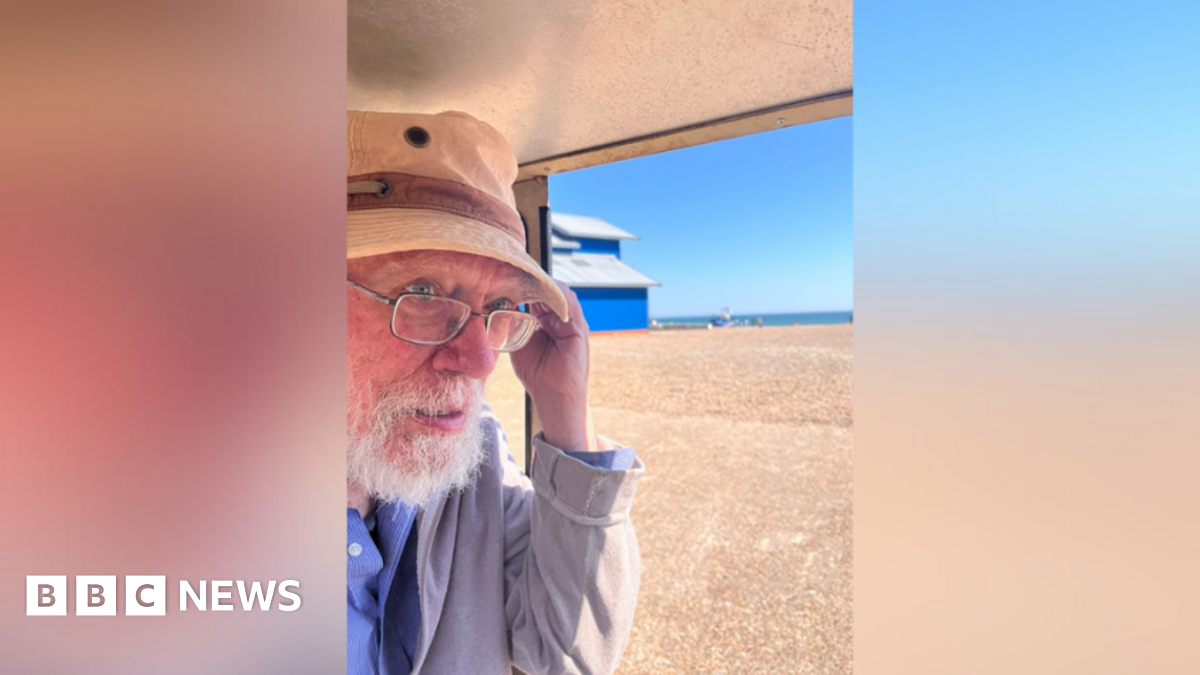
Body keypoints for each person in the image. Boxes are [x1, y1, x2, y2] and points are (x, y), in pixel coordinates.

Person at [345, 110, 643, 675]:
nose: (482, 360)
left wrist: (565, 414)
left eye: (501, 306)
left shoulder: (471, 458)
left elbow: (565, 656)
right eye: (423, 291)